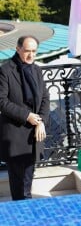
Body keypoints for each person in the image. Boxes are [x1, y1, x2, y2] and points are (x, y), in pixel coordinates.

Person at [0, 36, 49, 200]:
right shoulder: (5, 70)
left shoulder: (37, 70)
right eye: (27, 51)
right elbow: (2, 101)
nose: (31, 55)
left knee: (27, 185)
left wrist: (40, 121)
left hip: (33, 135)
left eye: (34, 51)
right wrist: (27, 116)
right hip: (15, 135)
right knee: (19, 187)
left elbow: (45, 98)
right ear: (17, 48)